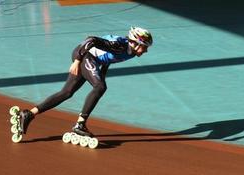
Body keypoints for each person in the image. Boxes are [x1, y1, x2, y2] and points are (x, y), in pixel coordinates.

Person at [18, 26, 153, 137]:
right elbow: (91, 40)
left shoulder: (131, 52)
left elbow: (109, 59)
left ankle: (29, 114)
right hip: (84, 55)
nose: (146, 50)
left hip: (92, 59)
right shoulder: (119, 45)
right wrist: (77, 61)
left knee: (66, 93)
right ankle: (80, 124)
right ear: (135, 43)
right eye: (144, 46)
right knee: (100, 87)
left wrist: (102, 74)